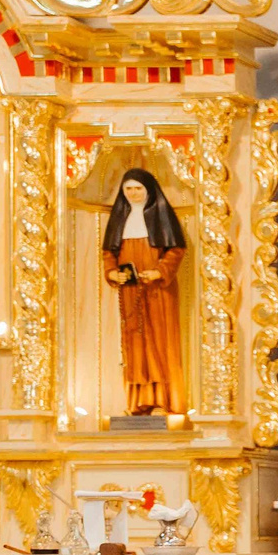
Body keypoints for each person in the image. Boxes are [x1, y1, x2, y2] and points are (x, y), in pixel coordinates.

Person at [102, 169, 187, 416]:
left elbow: (175, 250)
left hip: (158, 292)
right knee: (135, 344)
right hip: (130, 292)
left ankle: (163, 401)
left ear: (148, 190)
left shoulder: (161, 216)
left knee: (160, 343)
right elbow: (110, 252)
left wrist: (160, 271)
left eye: (138, 188)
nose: (133, 193)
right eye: (129, 189)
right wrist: (112, 273)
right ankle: (138, 402)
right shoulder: (121, 218)